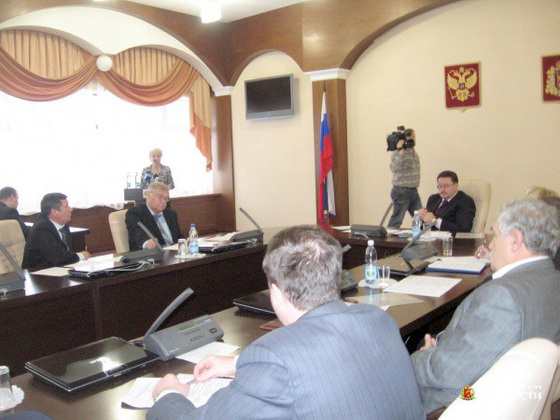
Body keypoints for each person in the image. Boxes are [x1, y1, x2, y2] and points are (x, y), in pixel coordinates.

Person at [147, 225, 425, 420]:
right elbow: (324, 355)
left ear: (276, 293)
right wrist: (238, 364)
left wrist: (168, 394)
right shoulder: (378, 319)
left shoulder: (274, 357)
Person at [412, 199, 560, 413]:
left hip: (464, 401)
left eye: (495, 235)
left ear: (516, 240)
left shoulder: (503, 298)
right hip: (517, 395)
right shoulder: (553, 281)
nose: (491, 245)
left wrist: (422, 356)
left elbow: (449, 374)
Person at [22, 193, 90, 271]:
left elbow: (66, 253)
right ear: (54, 212)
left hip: (58, 270)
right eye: (66, 206)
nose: (71, 209)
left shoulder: (63, 226)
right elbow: (57, 258)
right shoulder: (41, 229)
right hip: (38, 273)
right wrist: (80, 256)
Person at [125, 182, 183, 250]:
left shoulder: (171, 214)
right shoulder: (135, 213)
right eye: (160, 197)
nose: (163, 201)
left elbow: (179, 237)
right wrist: (146, 242)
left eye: (166, 198)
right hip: (154, 254)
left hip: (175, 252)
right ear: (148, 195)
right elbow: (136, 233)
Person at [387, 129, 422, 228]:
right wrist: (400, 150)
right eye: (410, 137)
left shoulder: (414, 153)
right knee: (397, 219)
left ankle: (419, 235)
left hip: (413, 190)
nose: (413, 139)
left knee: (420, 217)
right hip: (401, 191)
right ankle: (389, 236)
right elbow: (394, 168)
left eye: (414, 136)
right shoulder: (398, 153)